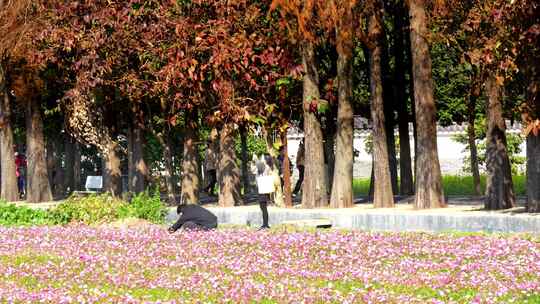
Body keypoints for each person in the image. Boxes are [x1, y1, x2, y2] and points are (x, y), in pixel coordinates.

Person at [256, 153, 274, 230]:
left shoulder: (265, 166)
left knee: (263, 207)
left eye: (262, 158)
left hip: (263, 189)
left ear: (265, 159)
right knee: (263, 207)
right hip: (264, 189)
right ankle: (265, 224)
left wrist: (255, 158)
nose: (261, 159)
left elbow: (257, 164)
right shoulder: (267, 167)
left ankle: (265, 224)